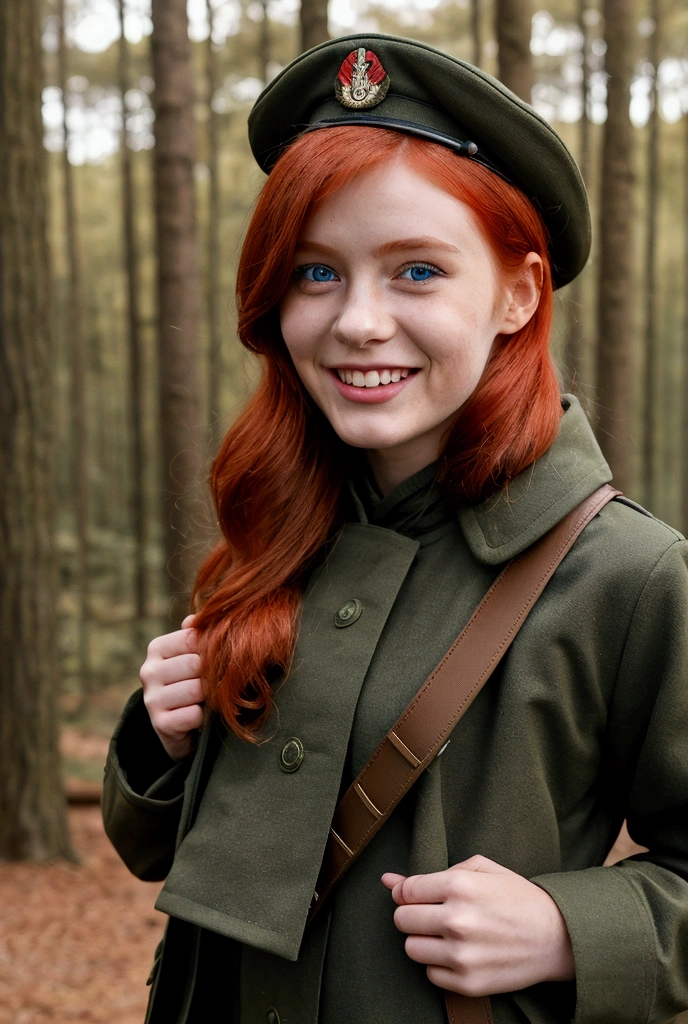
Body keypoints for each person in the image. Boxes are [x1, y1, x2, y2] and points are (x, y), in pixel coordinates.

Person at [102, 33, 688, 1024]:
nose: (357, 322)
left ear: (517, 293)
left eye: (416, 271)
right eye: (316, 273)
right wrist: (162, 740)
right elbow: (162, 852)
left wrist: (566, 925)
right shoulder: (277, 534)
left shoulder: (628, 573)